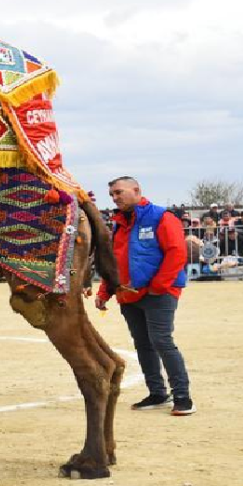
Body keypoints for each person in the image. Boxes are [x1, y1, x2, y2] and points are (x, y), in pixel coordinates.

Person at [95, 176, 195, 416]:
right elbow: (114, 261)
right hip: (128, 295)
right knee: (143, 344)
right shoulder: (119, 224)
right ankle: (157, 393)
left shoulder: (162, 217)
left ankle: (183, 397)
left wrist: (158, 286)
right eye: (112, 195)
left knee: (161, 341)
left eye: (119, 192)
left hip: (158, 293)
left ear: (136, 190)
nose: (115, 198)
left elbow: (176, 253)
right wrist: (104, 291)